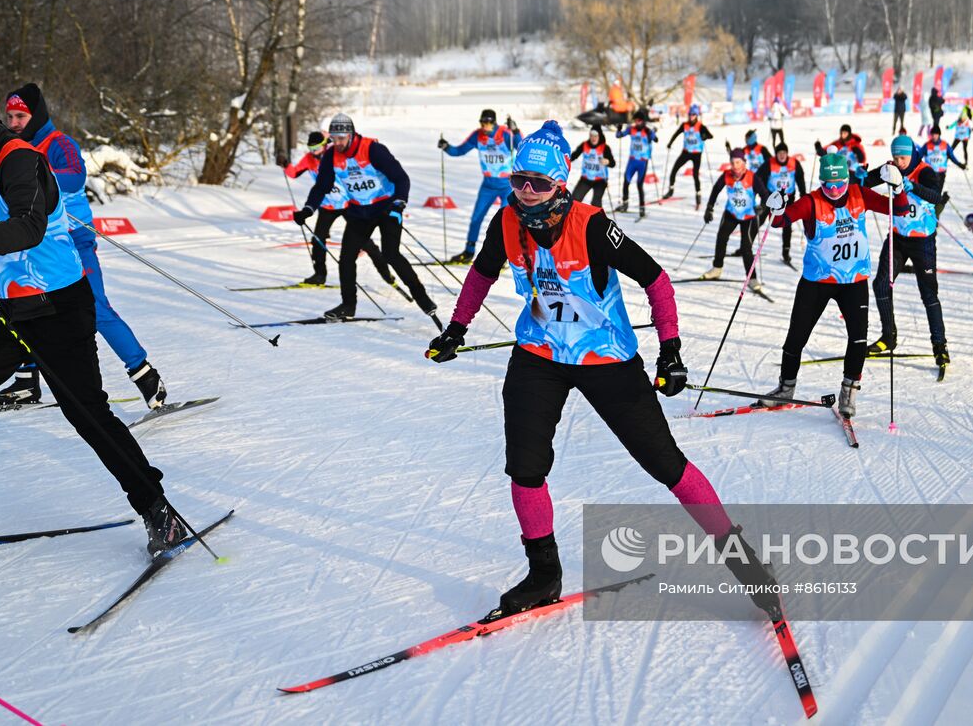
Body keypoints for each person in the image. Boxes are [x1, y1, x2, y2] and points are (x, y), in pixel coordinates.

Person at [423, 120, 778, 620]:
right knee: (524, 469)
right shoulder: (505, 222)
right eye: (518, 180)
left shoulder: (591, 225)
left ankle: (747, 568)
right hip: (539, 354)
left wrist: (670, 352)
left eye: (538, 184)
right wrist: (455, 329)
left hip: (606, 358)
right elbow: (481, 274)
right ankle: (544, 573)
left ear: (560, 186)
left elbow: (656, 280)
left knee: (665, 464)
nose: (525, 192)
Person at [0, 79, 185, 554]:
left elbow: (27, 225)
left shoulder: (19, 159)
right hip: (16, 310)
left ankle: (157, 508)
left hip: (61, 308)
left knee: (86, 413)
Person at [0, 83, 168, 410]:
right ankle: (27, 381)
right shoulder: (8, 149)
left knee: (95, 308)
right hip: (34, 244)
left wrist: (33, 172)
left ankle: (145, 375)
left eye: (21, 116)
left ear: (36, 115)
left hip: (74, 242)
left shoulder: (58, 143)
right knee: (23, 305)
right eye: (9, 115)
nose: (13, 122)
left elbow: (74, 176)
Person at [758, 154, 910, 418]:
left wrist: (898, 188)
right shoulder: (812, 201)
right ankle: (785, 387)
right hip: (817, 281)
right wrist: (778, 207)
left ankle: (849, 391)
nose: (835, 191)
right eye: (829, 185)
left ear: (847, 180)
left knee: (858, 337)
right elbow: (780, 221)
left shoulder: (859, 195)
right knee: (796, 336)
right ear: (821, 183)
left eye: (840, 184)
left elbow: (899, 210)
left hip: (854, 282)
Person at [296, 114, 439, 324]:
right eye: (334, 139)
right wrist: (308, 209)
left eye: (341, 138)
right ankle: (348, 305)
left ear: (351, 135)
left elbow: (401, 178)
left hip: (386, 207)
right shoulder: (331, 156)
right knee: (346, 258)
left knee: (391, 254)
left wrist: (399, 203)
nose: (337, 143)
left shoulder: (372, 149)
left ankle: (421, 296)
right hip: (359, 212)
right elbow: (322, 186)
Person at [867, 133, 950, 376]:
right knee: (881, 285)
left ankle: (939, 345)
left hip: (923, 240)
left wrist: (913, 186)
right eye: (895, 157)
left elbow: (937, 197)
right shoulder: (890, 168)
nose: (898, 161)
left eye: (902, 157)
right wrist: (859, 175)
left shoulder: (925, 171)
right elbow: (866, 182)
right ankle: (888, 336)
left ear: (912, 154)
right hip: (898, 237)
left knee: (928, 293)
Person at [287, 128, 396, 288]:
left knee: (365, 241)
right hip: (327, 205)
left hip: (347, 203)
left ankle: (386, 274)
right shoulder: (309, 159)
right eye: (311, 149)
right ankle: (319, 275)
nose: (314, 152)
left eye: (317, 148)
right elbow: (294, 173)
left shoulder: (336, 153)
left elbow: (365, 144)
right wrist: (285, 164)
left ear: (325, 145)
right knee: (317, 240)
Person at [439, 109, 521, 264]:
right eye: (483, 122)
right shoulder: (478, 135)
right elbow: (459, 151)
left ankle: (502, 256)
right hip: (488, 184)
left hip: (507, 185)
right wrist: (446, 147)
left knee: (504, 221)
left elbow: (521, 146)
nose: (485, 126)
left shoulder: (504, 134)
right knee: (476, 218)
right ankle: (468, 252)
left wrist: (515, 131)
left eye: (489, 122)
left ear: (494, 122)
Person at [700, 149, 765, 289]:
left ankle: (752, 278)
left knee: (746, 248)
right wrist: (709, 208)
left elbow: (765, 195)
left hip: (748, 216)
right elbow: (715, 190)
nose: (735, 165)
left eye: (738, 162)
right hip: (731, 213)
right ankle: (717, 268)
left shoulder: (752, 177)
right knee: (721, 238)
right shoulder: (727, 175)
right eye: (732, 162)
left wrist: (762, 207)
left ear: (743, 162)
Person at [754, 141, 807, 265]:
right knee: (760, 219)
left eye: (784, 153)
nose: (782, 155)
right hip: (771, 198)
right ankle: (747, 245)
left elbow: (800, 178)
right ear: (776, 154)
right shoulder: (769, 163)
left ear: (787, 154)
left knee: (787, 224)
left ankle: (786, 251)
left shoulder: (794, 163)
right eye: (779, 153)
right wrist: (760, 193)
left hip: (787, 198)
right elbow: (758, 178)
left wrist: (803, 194)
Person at [662, 105, 713, 208]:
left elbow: (710, 136)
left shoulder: (700, 126)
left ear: (696, 115)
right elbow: (676, 134)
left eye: (693, 114)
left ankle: (698, 196)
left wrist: (705, 136)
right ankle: (671, 190)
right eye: (690, 114)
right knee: (674, 170)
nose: (691, 116)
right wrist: (670, 143)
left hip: (696, 154)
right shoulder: (684, 125)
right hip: (685, 152)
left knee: (695, 175)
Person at [616, 110, 657, 217]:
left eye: (638, 121)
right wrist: (619, 129)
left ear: (643, 121)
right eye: (635, 121)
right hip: (632, 160)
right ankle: (625, 204)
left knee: (639, 185)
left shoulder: (647, 131)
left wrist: (653, 134)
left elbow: (655, 139)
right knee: (626, 182)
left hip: (642, 162)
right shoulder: (631, 129)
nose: (636, 122)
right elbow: (619, 135)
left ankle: (642, 208)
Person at [569, 126, 614, 207]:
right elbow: (574, 155)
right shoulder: (585, 145)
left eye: (595, 136)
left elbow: (613, 163)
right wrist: (566, 160)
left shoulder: (605, 148)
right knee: (574, 200)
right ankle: (573, 217)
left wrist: (607, 161)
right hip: (586, 178)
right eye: (591, 135)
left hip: (600, 180)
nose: (593, 138)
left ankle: (596, 219)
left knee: (595, 203)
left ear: (599, 136)